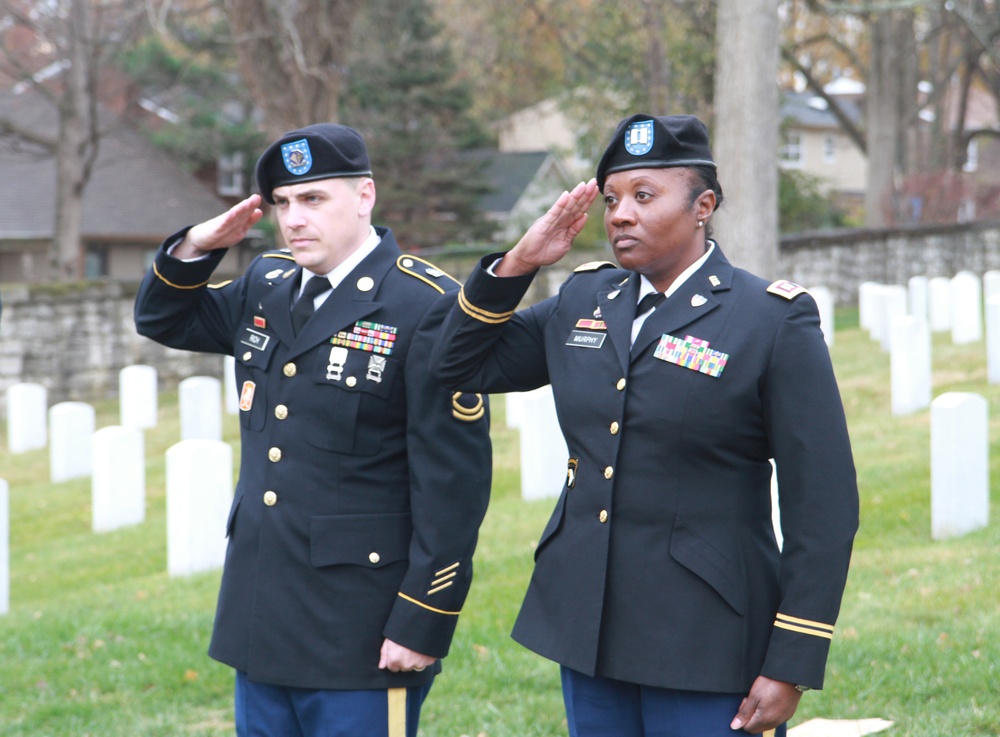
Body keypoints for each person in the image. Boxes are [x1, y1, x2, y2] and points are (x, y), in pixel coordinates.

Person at [430, 114, 859, 737]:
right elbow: (456, 364)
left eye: (644, 196)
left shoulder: (768, 320)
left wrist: (791, 659)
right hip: (589, 625)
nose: (620, 214)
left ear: (703, 205)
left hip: (705, 635)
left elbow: (822, 503)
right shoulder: (584, 301)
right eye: (611, 200)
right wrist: (520, 262)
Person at [134, 123, 492, 737]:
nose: (293, 218)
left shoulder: (424, 304)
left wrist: (423, 617)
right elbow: (162, 316)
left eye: (313, 199)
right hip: (262, 617)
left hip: (361, 627)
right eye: (282, 203)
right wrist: (199, 243)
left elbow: (453, 485)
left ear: (365, 196)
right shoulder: (268, 285)